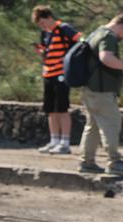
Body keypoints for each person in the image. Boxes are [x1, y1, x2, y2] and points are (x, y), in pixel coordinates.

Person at [79, 14, 123, 175]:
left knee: (92, 126)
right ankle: (114, 162)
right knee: (111, 123)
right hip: (101, 90)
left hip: (89, 89)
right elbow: (106, 58)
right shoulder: (108, 36)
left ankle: (87, 162)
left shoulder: (96, 33)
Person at [32, 5, 81, 155]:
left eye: (42, 22)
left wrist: (68, 59)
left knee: (62, 108)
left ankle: (65, 143)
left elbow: (80, 42)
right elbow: (46, 52)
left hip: (61, 73)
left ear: (48, 17)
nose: (42, 26)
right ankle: (54, 140)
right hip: (48, 73)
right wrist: (41, 51)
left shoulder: (64, 28)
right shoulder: (45, 34)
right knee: (50, 110)